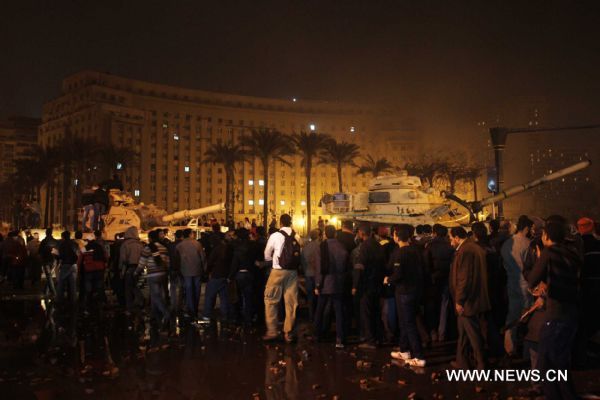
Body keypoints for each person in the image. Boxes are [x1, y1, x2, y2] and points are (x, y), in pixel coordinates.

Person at [527, 221, 581, 399]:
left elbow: (532, 279)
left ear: (547, 236)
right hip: (572, 314)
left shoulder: (549, 252)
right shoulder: (572, 253)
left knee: (547, 363)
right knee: (561, 362)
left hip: (555, 314)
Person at [449, 226, 490, 370]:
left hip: (468, 301)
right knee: (464, 333)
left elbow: (464, 278)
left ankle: (481, 364)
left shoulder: (465, 251)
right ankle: (462, 361)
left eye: (450, 238)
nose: (450, 241)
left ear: (456, 237)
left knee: (473, 334)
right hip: (474, 298)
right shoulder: (475, 247)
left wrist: (459, 300)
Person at [388, 224, 426, 367]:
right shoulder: (415, 251)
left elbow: (398, 274)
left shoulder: (400, 253)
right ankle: (404, 350)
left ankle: (419, 356)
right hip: (415, 290)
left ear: (397, 237)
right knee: (405, 322)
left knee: (409, 324)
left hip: (404, 292)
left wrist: (388, 280)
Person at [263, 214, 301, 343]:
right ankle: (288, 332)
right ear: (290, 222)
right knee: (291, 302)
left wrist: (272, 259)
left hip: (277, 271)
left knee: (271, 300)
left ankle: (272, 331)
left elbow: (267, 254)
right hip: (292, 272)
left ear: (280, 223)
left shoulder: (275, 236)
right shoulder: (297, 236)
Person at [501, 215, 534, 356]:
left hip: (511, 283)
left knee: (512, 315)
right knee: (528, 317)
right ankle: (528, 350)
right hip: (526, 285)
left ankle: (509, 347)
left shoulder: (507, 244)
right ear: (526, 228)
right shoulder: (528, 244)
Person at [313, 225, 350, 348]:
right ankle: (340, 338)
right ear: (335, 234)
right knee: (339, 311)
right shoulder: (341, 246)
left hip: (325, 283)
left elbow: (319, 268)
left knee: (320, 309)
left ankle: (317, 334)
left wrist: (317, 284)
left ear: (325, 234)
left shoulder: (322, 246)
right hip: (338, 282)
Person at [352, 222, 385, 349]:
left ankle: (370, 340)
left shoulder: (364, 247)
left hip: (367, 285)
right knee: (376, 312)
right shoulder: (378, 245)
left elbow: (359, 267)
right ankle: (378, 337)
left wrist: (355, 285)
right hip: (378, 283)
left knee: (365, 313)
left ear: (361, 233)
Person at [575, 217, 600, 366]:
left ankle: (583, 355)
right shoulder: (598, 245)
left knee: (583, 322)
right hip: (597, 287)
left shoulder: (577, 247)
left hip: (582, 288)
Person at [424, 224, 455, 342]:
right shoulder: (450, 246)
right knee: (444, 305)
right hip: (447, 279)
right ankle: (443, 332)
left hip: (433, 280)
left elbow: (426, 264)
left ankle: (433, 332)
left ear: (434, 233)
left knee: (432, 306)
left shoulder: (430, 246)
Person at [139, 229, 170, 329]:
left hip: (153, 274)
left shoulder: (148, 248)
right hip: (163, 273)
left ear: (150, 238)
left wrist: (136, 272)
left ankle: (166, 313)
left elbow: (142, 263)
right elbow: (167, 262)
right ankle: (154, 315)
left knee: (156, 296)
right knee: (159, 294)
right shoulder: (164, 247)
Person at [203, 229, 233, 322]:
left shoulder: (216, 249)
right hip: (225, 275)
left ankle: (206, 316)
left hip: (216, 275)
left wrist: (206, 273)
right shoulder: (228, 248)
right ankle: (225, 316)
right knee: (224, 297)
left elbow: (210, 262)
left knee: (209, 296)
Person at [176, 228, 206, 322]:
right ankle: (195, 308)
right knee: (197, 289)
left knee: (189, 290)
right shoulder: (197, 244)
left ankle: (191, 309)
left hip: (185, 271)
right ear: (190, 234)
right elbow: (203, 257)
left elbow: (177, 259)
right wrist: (204, 269)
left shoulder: (179, 246)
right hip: (197, 270)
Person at [230, 228, 256, 326]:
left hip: (239, 273)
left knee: (238, 297)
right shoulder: (252, 246)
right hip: (249, 273)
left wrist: (230, 276)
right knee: (248, 297)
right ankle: (248, 319)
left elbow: (234, 264)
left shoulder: (237, 247)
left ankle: (237, 317)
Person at [80, 230, 108, 310]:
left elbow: (80, 257)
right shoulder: (99, 247)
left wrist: (79, 269)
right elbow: (105, 257)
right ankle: (101, 302)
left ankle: (88, 302)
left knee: (88, 287)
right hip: (99, 268)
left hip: (89, 269)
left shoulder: (85, 248)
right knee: (99, 286)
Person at [119, 226, 144, 313]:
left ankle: (129, 307)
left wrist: (121, 271)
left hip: (129, 268)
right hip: (139, 268)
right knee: (136, 285)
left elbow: (123, 259)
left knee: (128, 288)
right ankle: (139, 302)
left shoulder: (125, 244)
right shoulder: (140, 244)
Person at [57, 230, 79, 304]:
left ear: (63, 237)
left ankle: (60, 300)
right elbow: (78, 254)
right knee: (73, 285)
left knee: (61, 284)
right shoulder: (75, 244)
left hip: (65, 264)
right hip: (74, 265)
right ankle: (73, 300)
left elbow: (61, 255)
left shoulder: (62, 244)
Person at [39, 228, 58, 295]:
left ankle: (53, 292)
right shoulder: (55, 241)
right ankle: (46, 291)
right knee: (49, 276)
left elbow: (40, 251)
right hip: (53, 260)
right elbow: (58, 251)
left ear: (46, 233)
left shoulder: (44, 241)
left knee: (49, 276)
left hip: (46, 260)